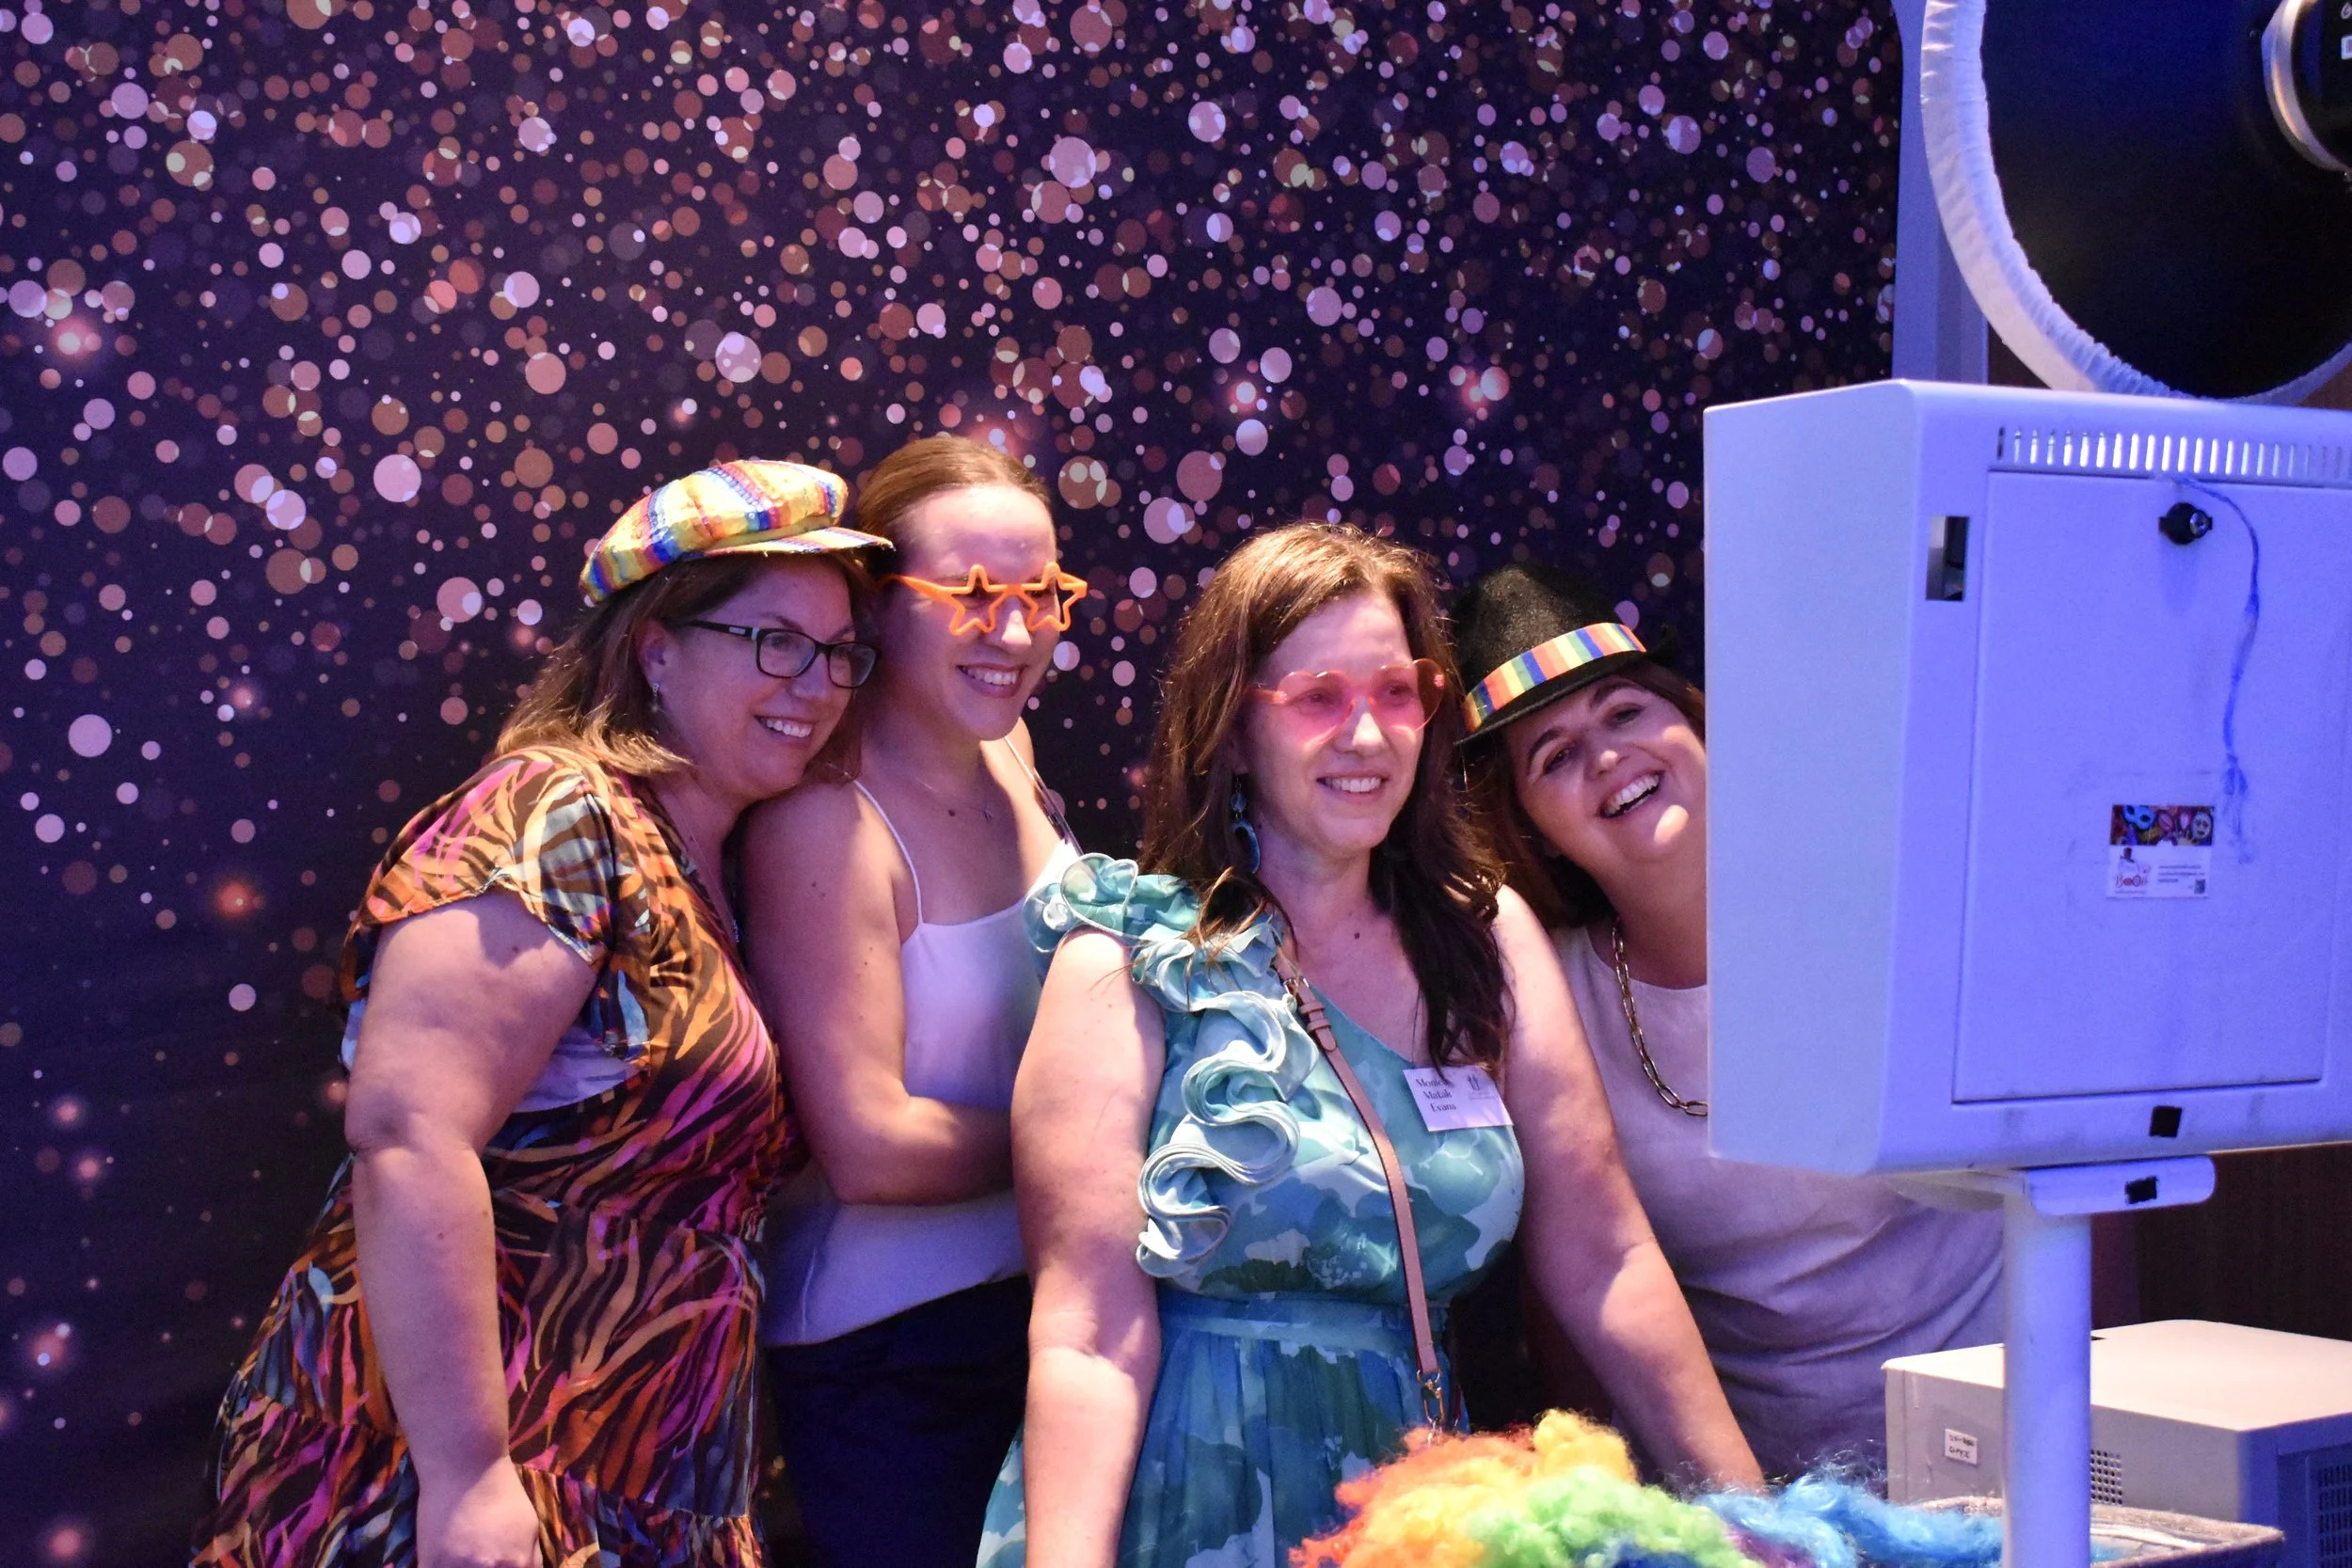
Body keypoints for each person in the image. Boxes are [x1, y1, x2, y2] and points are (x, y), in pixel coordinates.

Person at [980, 523, 1761, 1568]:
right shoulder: (1125, 959)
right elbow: (1085, 1338)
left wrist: (1756, 1523)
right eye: (1318, 698)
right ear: (1231, 724)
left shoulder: (1486, 938)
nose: (1367, 733)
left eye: (1398, 692)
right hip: (1194, 1509)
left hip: (1417, 1517)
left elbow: (1606, 1254)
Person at [192, 460, 884, 1568]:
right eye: (774, 639)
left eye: (840, 650)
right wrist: (467, 1479)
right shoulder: (557, 813)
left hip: (636, 1465)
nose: (816, 680)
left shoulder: (722, 862)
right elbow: (409, 1132)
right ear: (656, 644)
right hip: (457, 1466)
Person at [1452, 561, 2005, 1479]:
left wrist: (2107, 1450)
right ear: (1532, 825)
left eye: (1625, 711)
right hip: (1764, 1514)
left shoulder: (1885, 904)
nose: (1605, 755)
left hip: (2005, 1478)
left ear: (1693, 720)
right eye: (1553, 752)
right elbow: (1574, 1309)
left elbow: (2079, 1182)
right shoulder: (1551, 995)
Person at [741, 436, 1082, 1567]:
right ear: (878, 610)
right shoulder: (823, 824)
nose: (1018, 630)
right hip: (894, 1358)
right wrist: (1118, 1143)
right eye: (973, 594)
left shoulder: (1010, 742)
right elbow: (868, 1144)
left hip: (1052, 1310)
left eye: (1041, 593)